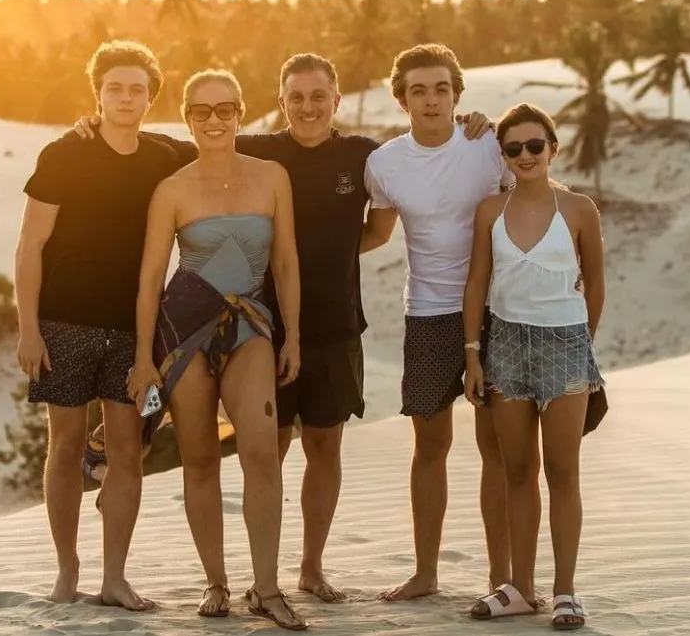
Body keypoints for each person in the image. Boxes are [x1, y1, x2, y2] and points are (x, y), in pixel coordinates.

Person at [72, 53, 490, 602]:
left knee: (325, 448)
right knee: (266, 448)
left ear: (336, 101)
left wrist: (470, 124)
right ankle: (234, 579)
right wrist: (96, 126)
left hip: (337, 323)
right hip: (260, 328)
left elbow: (386, 217)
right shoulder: (260, 150)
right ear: (279, 103)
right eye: (296, 97)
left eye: (319, 97)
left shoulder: (364, 156)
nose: (308, 107)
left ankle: (310, 569)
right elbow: (192, 144)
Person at [126, 69, 309, 630]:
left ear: (240, 113)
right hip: (184, 329)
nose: (214, 120)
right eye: (202, 111)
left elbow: (285, 262)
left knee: (261, 453)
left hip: (252, 323)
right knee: (200, 458)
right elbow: (152, 276)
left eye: (225, 109)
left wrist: (293, 336)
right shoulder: (172, 189)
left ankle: (268, 587)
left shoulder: (272, 176)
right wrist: (141, 358)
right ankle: (217, 582)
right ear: (187, 117)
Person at [14, 39, 190, 610]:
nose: (125, 97)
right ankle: (68, 573)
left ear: (150, 97)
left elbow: (228, 143)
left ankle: (114, 577)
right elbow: (30, 245)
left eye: (137, 88)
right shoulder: (64, 153)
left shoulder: (166, 156)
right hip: (62, 325)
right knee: (64, 446)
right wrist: (28, 328)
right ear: (98, 93)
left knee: (126, 451)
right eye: (114, 87)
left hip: (136, 331)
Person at [363, 43, 515, 602]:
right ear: (402, 99)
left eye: (442, 89)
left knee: (495, 446)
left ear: (457, 94)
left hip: (497, 311)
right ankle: (426, 574)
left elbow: (531, 204)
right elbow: (376, 234)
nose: (431, 100)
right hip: (428, 314)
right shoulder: (384, 163)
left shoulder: (489, 146)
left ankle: (501, 576)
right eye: (419, 90)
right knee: (429, 446)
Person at [463, 103, 605, 630]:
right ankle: (520, 588)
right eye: (513, 148)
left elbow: (596, 287)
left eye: (534, 146)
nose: (525, 156)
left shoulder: (579, 210)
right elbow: (476, 284)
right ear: (503, 155)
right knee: (516, 471)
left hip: (564, 347)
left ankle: (565, 590)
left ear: (552, 148)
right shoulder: (489, 212)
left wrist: (578, 349)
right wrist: (473, 354)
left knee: (562, 472)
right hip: (503, 347)